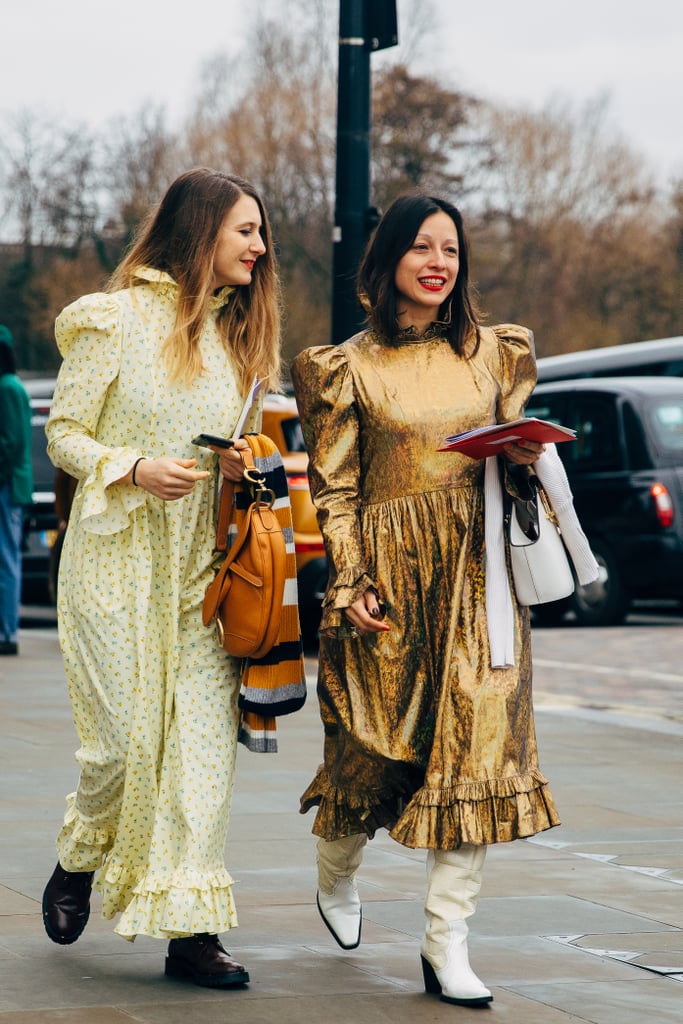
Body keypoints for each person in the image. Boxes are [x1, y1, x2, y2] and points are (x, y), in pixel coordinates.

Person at [291, 192, 598, 1008]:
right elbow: (337, 490)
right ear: (388, 257)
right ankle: (336, 870)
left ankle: (445, 940)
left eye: (451, 251)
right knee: (375, 754)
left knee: (479, 747)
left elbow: (511, 452)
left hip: (480, 576)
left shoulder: (495, 353)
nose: (438, 263)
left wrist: (528, 454)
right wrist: (351, 580)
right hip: (386, 582)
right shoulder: (343, 365)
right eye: (422, 247)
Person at [42, 167, 287, 988]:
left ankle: (192, 932)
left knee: (199, 754)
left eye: (261, 233)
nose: (260, 246)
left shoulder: (235, 342)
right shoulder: (111, 320)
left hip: (202, 575)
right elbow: (65, 434)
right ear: (201, 230)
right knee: (120, 748)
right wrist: (133, 466)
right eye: (246, 230)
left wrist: (249, 464)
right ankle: (79, 856)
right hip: (114, 560)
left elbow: (238, 452)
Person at [0, 326, 34, 656]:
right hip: (11, 483)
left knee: (7, 559)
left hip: (7, 485)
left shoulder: (7, 387)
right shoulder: (11, 386)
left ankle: (8, 631)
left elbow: (10, 444)